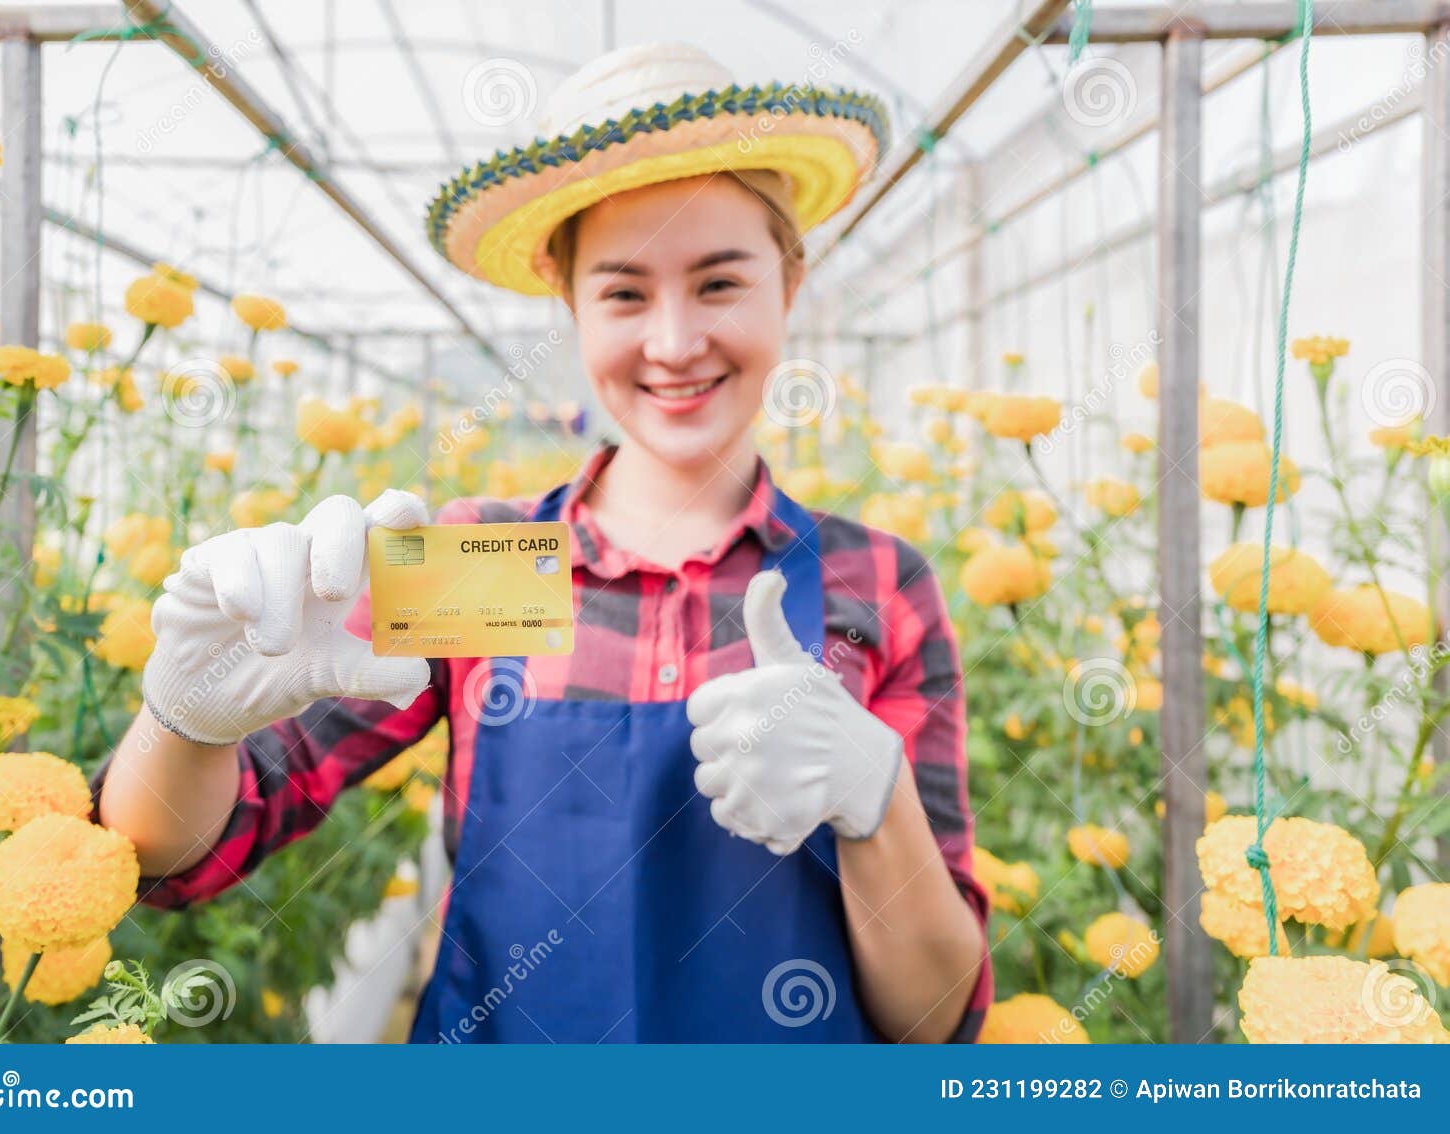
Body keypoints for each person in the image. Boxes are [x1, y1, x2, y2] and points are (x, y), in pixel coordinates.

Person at [93, 41, 991, 1043]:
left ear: (790, 279)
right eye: (622, 293)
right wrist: (184, 721)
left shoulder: (874, 582)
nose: (673, 340)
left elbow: (928, 1019)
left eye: (719, 282)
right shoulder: (484, 561)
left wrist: (877, 804)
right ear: (566, 304)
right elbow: (171, 849)